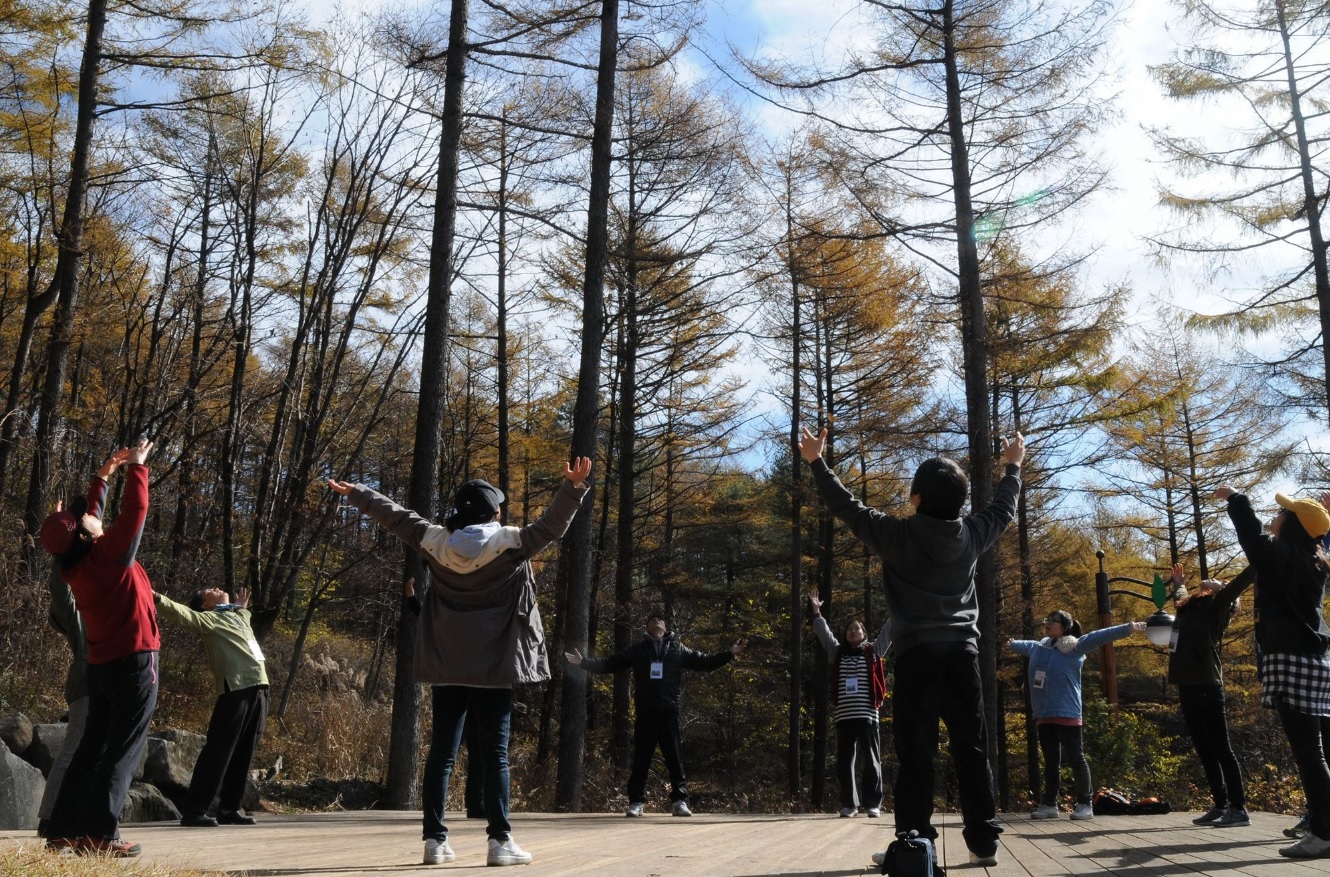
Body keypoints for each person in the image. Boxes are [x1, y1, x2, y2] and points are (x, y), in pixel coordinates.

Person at [330, 458, 591, 867]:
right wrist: (572, 488)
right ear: (494, 513)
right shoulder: (511, 544)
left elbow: (397, 518)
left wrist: (361, 494)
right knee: (495, 755)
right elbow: (552, 526)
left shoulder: (434, 541)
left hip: (448, 663)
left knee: (442, 753)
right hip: (494, 664)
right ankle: (499, 842)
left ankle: (435, 842)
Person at [799, 426, 1024, 869]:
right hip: (963, 655)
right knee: (972, 749)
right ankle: (984, 839)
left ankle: (914, 843)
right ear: (959, 502)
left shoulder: (895, 535)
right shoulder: (973, 533)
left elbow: (846, 506)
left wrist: (817, 461)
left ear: (915, 499)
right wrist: (1012, 465)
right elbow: (1003, 507)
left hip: (918, 656)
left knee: (916, 752)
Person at [40, 439, 159, 858]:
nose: (88, 516)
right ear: (87, 537)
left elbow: (92, 519)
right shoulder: (109, 557)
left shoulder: (76, 563)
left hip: (103, 666)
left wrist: (104, 475)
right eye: (82, 518)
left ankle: (64, 830)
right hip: (135, 663)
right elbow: (136, 513)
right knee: (122, 751)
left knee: (92, 749)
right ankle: (100, 836)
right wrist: (138, 468)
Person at [1217, 485, 1330, 858]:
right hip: (1315, 661)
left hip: (1291, 660)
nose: (1276, 515)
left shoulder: (1282, 556)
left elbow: (1251, 533)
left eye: (1283, 512)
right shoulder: (1314, 557)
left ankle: (1324, 832)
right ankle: (1323, 826)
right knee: (1315, 752)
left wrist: (1236, 498)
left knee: (1310, 754)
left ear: (1293, 524)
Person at [565, 612, 745, 817]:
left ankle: (679, 801)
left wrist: (730, 653)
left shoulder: (678, 649)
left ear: (665, 628)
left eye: (660, 620)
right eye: (652, 620)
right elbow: (611, 663)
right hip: (646, 711)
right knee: (641, 758)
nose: (656, 621)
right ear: (647, 627)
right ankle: (636, 803)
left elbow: (705, 662)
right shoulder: (638, 650)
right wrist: (584, 663)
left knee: (674, 759)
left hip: (669, 711)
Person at [1007, 610, 1146, 820]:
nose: (1047, 623)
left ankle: (1085, 803)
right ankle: (1049, 805)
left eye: (1053, 621)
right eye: (1047, 620)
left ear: (1065, 626)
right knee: (1051, 761)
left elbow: (1101, 635)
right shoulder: (1039, 647)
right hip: (1043, 714)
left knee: (1076, 759)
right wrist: (1010, 643)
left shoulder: (1074, 647)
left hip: (1067, 712)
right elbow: (1022, 645)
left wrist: (1127, 628)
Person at [154, 585, 268, 827]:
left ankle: (229, 808)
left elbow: (244, 614)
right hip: (235, 689)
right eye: (209, 591)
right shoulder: (208, 619)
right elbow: (182, 613)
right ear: (205, 604)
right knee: (219, 751)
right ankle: (195, 810)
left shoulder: (237, 615)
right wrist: (154, 597)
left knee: (244, 752)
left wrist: (242, 607)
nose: (216, 587)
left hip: (260, 688)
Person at [1167, 562, 1254, 828]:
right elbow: (1181, 598)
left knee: (1221, 748)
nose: (1209, 580)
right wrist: (1179, 584)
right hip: (1186, 684)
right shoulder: (1189, 606)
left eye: (1216, 581)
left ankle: (1238, 808)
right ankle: (1220, 805)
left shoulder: (1217, 607)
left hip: (1208, 685)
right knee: (1204, 749)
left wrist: (1224, 587)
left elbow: (1236, 588)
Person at [807, 593, 889, 818]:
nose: (854, 631)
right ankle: (849, 804)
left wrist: (898, 604)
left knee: (872, 760)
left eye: (858, 629)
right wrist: (816, 612)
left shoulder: (874, 651)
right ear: (845, 634)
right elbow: (824, 635)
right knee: (844, 762)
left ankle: (873, 803)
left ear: (864, 634)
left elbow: (889, 631)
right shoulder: (838, 652)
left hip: (868, 715)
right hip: (844, 716)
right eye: (850, 629)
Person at [36, 564, 88, 838]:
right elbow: (60, 591)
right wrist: (63, 555)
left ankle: (74, 818)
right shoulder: (79, 616)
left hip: (107, 689)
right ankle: (49, 818)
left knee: (90, 756)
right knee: (72, 751)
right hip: (87, 688)